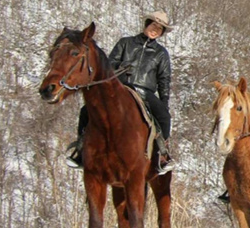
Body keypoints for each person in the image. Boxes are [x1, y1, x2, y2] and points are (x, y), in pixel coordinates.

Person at [66, 11, 176, 174]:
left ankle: (162, 154)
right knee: (86, 110)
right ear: (146, 24)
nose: (155, 30)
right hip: (120, 87)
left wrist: (164, 102)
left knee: (165, 117)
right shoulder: (125, 43)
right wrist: (121, 70)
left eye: (160, 29)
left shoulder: (161, 54)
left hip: (145, 92)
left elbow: (164, 79)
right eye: (153, 25)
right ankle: (81, 148)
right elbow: (109, 64)